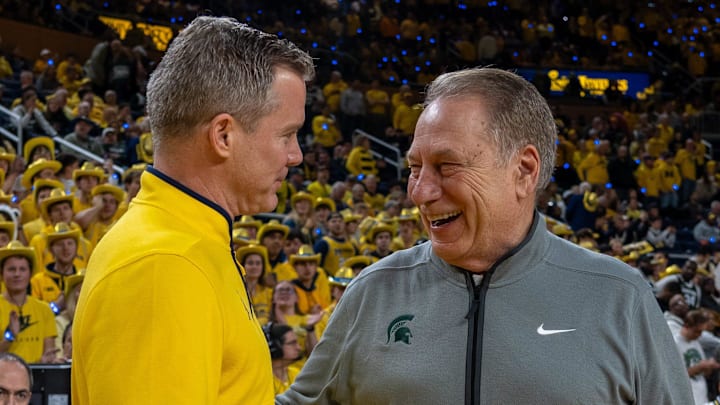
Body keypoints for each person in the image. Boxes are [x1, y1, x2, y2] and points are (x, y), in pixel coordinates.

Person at [277, 68, 692, 403]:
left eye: (446, 166)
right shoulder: (374, 290)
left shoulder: (618, 296)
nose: (419, 191)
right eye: (414, 167)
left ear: (524, 171)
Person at [72, 16, 314, 404]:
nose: (296, 155)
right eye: (286, 134)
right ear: (223, 136)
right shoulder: (164, 265)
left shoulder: (188, 242)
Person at [0, 241, 58, 364]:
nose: (17, 274)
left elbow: (49, 355)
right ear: (1, 274)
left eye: (22, 269)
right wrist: (9, 338)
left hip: (37, 379)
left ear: (30, 274)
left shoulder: (44, 309)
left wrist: (45, 361)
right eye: (11, 269)